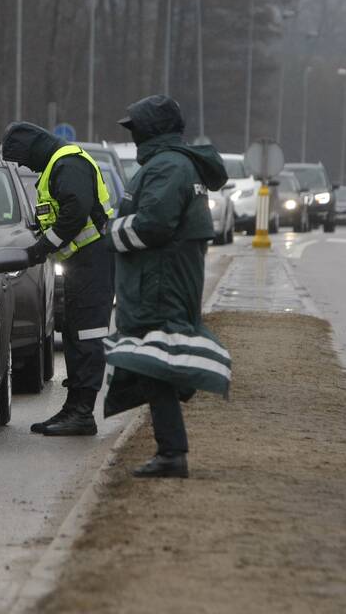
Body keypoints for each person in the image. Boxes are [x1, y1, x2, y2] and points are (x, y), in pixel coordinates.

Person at [102, 95, 232, 478]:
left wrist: (110, 231)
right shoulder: (172, 164)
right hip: (162, 279)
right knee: (155, 360)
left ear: (153, 130)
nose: (134, 135)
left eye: (136, 128)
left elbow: (153, 226)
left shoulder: (168, 167)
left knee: (155, 362)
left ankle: (172, 453)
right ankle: (171, 446)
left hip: (158, 282)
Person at [2, 122, 115, 436]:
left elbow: (75, 212)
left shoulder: (68, 164)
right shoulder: (58, 165)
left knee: (88, 337)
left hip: (94, 262)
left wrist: (42, 248)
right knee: (76, 337)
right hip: (82, 264)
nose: (25, 166)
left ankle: (82, 413)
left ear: (32, 149)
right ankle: (74, 408)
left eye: (23, 159)